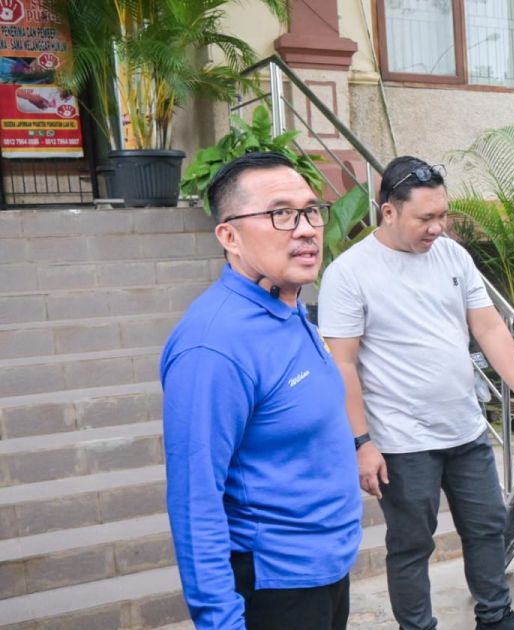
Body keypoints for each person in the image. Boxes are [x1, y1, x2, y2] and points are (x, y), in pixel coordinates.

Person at [319, 156, 514, 630]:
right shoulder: (350, 273)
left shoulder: (452, 255)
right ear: (388, 211)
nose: (438, 227)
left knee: (489, 526)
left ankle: (496, 617)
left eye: (442, 215)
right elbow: (342, 364)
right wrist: (361, 443)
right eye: (425, 218)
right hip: (401, 440)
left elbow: (490, 327)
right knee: (412, 544)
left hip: (465, 428)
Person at [160, 152, 362, 630]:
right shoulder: (212, 346)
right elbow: (195, 502)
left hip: (327, 570)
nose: (307, 228)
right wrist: (220, 620)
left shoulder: (289, 304)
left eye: (311, 210)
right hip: (275, 585)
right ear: (228, 236)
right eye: (281, 214)